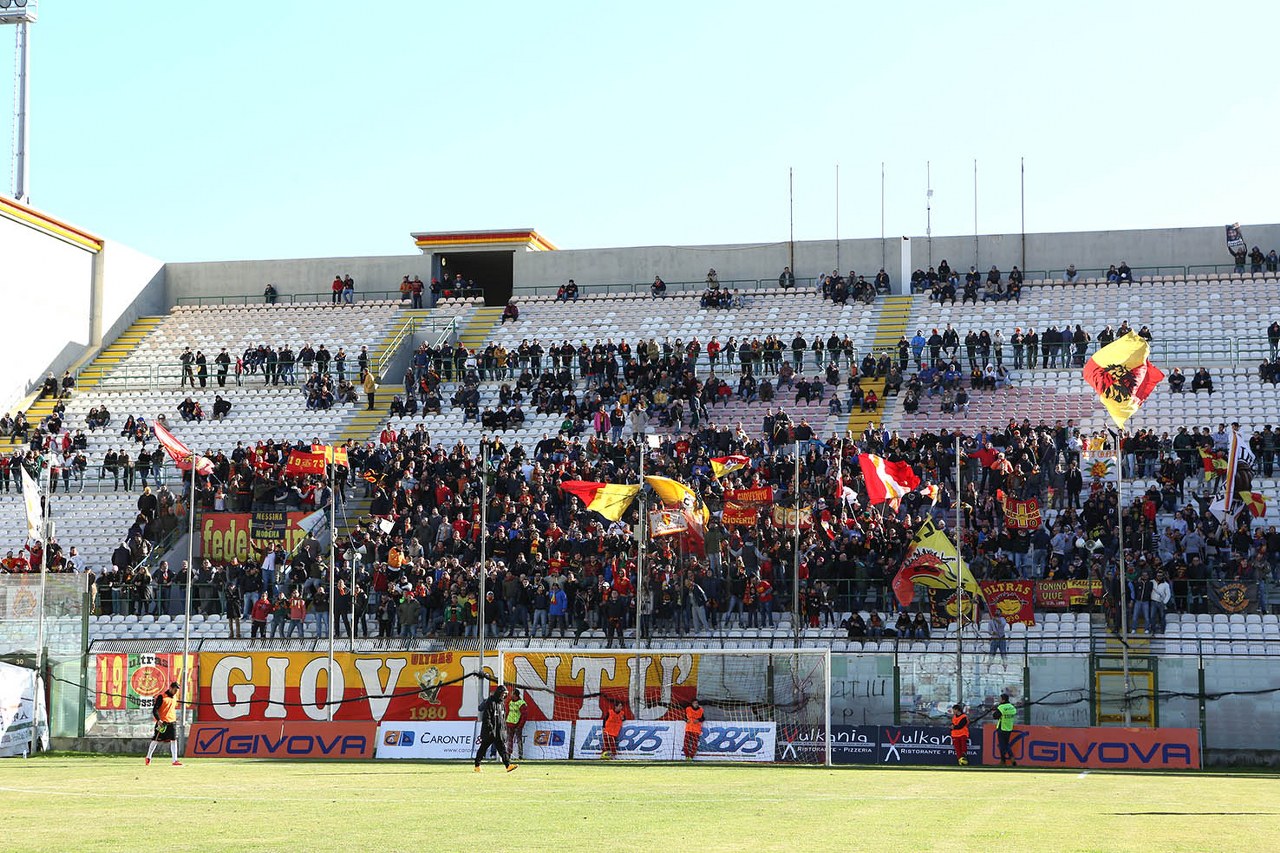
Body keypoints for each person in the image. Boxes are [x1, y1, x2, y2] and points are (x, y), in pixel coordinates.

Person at [473, 685, 517, 772]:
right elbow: (487, 716)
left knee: (502, 749)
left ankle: (508, 766)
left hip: (499, 731)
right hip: (490, 731)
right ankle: (477, 765)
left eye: (505, 694)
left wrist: (503, 729)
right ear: (499, 693)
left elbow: (502, 718)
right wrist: (490, 728)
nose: (504, 695)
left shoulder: (502, 703)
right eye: (503, 693)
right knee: (483, 748)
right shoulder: (490, 702)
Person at [144, 681, 182, 766]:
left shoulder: (174, 697)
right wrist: (159, 720)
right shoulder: (162, 697)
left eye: (177, 690)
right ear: (170, 688)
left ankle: (174, 760)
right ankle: (148, 757)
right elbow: (155, 710)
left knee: (174, 740)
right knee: (156, 740)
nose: (176, 692)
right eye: (175, 690)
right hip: (162, 723)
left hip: (172, 722)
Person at [994, 694, 1018, 767]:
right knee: (1006, 744)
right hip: (1009, 727)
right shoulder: (1012, 707)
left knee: (1002, 745)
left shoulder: (1001, 707)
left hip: (1002, 727)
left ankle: (1003, 760)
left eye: (1000, 699)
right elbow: (1014, 713)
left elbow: (995, 716)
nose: (999, 700)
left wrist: (996, 710)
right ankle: (1011, 758)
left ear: (1003, 700)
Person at [505, 687, 528, 761]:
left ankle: (520, 755)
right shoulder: (510, 702)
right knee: (509, 740)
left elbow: (524, 716)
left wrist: (520, 726)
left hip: (517, 724)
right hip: (509, 723)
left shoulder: (522, 703)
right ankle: (508, 754)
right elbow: (508, 712)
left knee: (519, 740)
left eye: (513, 695)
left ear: (516, 695)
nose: (511, 696)